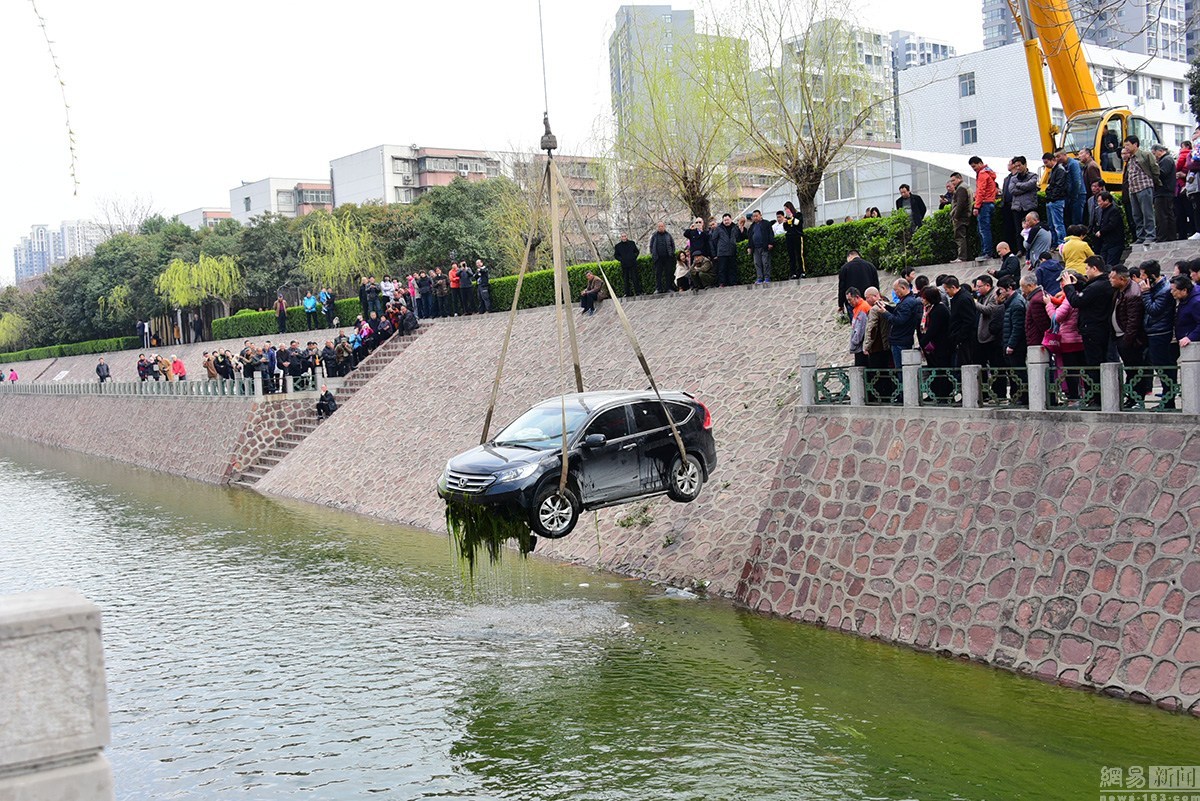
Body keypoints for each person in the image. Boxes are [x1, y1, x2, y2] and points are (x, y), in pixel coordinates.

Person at [1062, 257, 1114, 402]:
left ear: (1094, 268)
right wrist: (1076, 285)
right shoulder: (1101, 284)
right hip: (1100, 328)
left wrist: (1068, 287)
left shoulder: (1097, 286)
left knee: (1094, 365)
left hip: (1093, 329)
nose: (1085, 271)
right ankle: (1099, 397)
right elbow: (1087, 293)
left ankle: (1097, 398)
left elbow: (1076, 301)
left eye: (1087, 268)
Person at [1110, 265, 1149, 403]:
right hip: (1121, 336)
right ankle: (1132, 398)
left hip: (1130, 340)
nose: (1110, 280)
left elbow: (1133, 322)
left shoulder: (1132, 294)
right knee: (1130, 370)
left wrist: (1126, 341)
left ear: (1122, 279)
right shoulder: (1120, 291)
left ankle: (1136, 399)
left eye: (1112, 278)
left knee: (1135, 370)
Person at [1139, 260, 1178, 386]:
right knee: (1158, 365)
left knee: (1164, 366)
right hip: (1153, 331)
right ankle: (1167, 399)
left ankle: (1169, 400)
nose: (1141, 278)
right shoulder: (1154, 288)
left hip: (1161, 332)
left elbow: (1154, 310)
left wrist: (1145, 293)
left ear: (1152, 275)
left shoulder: (1165, 290)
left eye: (1143, 275)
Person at [877, 278, 922, 371]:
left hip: (900, 340)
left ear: (903, 288)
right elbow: (898, 312)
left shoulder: (907, 302)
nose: (895, 293)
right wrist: (887, 307)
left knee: (901, 370)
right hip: (901, 339)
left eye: (896, 290)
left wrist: (885, 312)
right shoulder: (906, 300)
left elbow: (899, 320)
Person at [917, 285, 952, 396]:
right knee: (933, 370)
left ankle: (943, 394)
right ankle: (934, 393)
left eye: (924, 297)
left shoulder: (940, 309)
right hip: (932, 347)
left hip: (941, 345)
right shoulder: (928, 308)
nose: (922, 300)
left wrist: (922, 343)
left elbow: (933, 329)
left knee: (941, 371)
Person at [1124, 135, 1159, 244]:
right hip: (1133, 189)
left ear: (1135, 144)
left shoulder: (1145, 155)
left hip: (1144, 186)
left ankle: (1150, 235)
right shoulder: (1130, 158)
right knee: (1136, 214)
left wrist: (1153, 181)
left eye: (1128, 145)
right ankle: (1141, 236)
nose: (1126, 148)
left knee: (1147, 212)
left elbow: (1155, 169)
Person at [944, 275, 978, 367]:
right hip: (959, 337)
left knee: (964, 365)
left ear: (953, 287)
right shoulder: (958, 297)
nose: (946, 292)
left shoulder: (963, 299)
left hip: (965, 339)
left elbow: (969, 321)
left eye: (946, 289)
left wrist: (959, 337)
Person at [1008, 157, 1039, 257]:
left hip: (1029, 206)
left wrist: (1019, 185)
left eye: (1019, 165)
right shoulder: (1013, 178)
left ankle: (1032, 248)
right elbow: (1012, 190)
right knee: (1019, 230)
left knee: (1032, 229)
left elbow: (1030, 185)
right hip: (1017, 207)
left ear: (1025, 165)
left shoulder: (1033, 175)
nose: (1018, 168)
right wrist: (1024, 188)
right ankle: (1020, 250)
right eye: (1016, 166)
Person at [970, 156, 997, 261]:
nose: (974, 168)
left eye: (974, 166)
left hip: (984, 204)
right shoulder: (989, 173)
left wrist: (976, 206)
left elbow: (981, 191)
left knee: (983, 230)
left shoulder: (982, 174)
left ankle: (987, 252)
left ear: (980, 163)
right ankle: (987, 251)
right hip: (990, 202)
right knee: (986, 229)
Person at [837, 250, 880, 316]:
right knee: (871, 322)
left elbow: (842, 288)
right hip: (869, 301)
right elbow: (876, 284)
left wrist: (841, 304)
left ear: (849, 256)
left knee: (856, 324)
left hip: (853, 302)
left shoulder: (844, 268)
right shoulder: (871, 266)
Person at [1092, 191, 1126, 268]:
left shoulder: (1114, 210)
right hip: (1106, 242)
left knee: (1111, 265)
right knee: (1103, 264)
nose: (1098, 203)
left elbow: (1112, 224)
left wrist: (1101, 231)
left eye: (1100, 201)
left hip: (1114, 242)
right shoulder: (1104, 211)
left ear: (1107, 201)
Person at [1151, 144, 1177, 242]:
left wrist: (1153, 168)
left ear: (1160, 151)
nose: (1154, 156)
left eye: (1154, 154)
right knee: (1167, 214)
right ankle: (1170, 236)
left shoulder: (1166, 160)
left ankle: (1163, 237)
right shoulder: (1168, 159)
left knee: (1162, 215)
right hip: (1165, 191)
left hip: (1164, 191)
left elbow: (1162, 173)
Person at [1043, 152, 1068, 246]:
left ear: (1052, 160)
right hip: (1053, 200)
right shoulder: (1055, 170)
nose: (1046, 165)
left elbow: (1059, 186)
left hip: (1056, 200)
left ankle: (1061, 243)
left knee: (1058, 224)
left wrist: (1052, 197)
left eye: (1046, 162)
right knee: (1052, 225)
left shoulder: (1059, 170)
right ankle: (1055, 243)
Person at [744, 209, 775, 284]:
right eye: (753, 216)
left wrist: (771, 243)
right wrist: (749, 247)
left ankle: (767, 278)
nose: (755, 218)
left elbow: (770, 234)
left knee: (765, 262)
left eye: (756, 216)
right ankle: (759, 278)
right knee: (757, 263)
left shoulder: (766, 223)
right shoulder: (752, 226)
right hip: (755, 248)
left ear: (760, 215)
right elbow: (750, 238)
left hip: (764, 246)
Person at [712, 213, 742, 287]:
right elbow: (714, 240)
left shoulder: (735, 227)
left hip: (732, 251)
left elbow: (738, 238)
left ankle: (733, 282)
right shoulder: (718, 228)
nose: (726, 221)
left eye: (727, 220)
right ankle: (722, 283)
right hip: (722, 252)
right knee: (722, 268)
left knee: (732, 268)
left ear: (731, 219)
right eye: (725, 220)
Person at [1059, 148, 1085, 227]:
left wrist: (1074, 196)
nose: (1057, 159)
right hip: (1069, 196)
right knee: (1068, 220)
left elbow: (1077, 182)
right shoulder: (1063, 166)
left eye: (1058, 156)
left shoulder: (1073, 164)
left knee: (1076, 221)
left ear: (1064, 155)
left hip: (1078, 195)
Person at [1171, 275, 1200, 348]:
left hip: (1192, 344)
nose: (1171, 292)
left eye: (1174, 290)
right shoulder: (1183, 299)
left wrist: (1190, 337)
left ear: (1184, 290)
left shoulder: (1196, 302)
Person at [846, 287, 872, 367]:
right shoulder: (858, 308)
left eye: (850, 299)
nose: (849, 302)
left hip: (861, 347)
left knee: (862, 371)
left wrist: (854, 342)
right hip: (861, 346)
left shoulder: (863, 308)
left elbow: (860, 330)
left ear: (857, 297)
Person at [949, 172, 972, 262]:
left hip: (961, 217)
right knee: (964, 236)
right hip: (966, 215)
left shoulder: (961, 188)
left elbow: (960, 204)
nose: (953, 182)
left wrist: (956, 216)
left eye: (954, 180)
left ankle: (962, 257)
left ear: (959, 178)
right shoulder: (966, 186)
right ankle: (966, 256)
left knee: (960, 236)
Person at [648, 222, 676, 294]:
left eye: (662, 226)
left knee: (668, 273)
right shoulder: (654, 236)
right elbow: (651, 246)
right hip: (658, 258)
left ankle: (668, 288)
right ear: (657, 227)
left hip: (667, 258)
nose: (660, 227)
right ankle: (658, 289)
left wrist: (671, 253)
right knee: (658, 274)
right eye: (659, 226)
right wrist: (653, 254)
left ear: (664, 227)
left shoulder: (668, 235)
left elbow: (673, 245)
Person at [782, 201, 805, 278]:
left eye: (787, 209)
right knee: (791, 255)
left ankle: (802, 271)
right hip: (789, 237)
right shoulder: (786, 218)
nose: (786, 211)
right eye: (785, 209)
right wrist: (785, 222)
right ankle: (793, 272)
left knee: (799, 254)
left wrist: (792, 217)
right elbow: (785, 228)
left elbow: (797, 223)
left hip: (797, 236)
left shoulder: (798, 215)